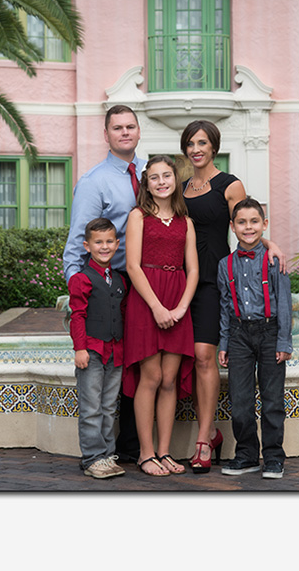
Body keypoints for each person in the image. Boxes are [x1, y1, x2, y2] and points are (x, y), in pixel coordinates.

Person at [180, 120, 287, 473]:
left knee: (203, 356)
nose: (196, 149)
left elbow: (247, 224)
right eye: (190, 143)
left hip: (213, 279)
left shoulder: (229, 184)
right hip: (182, 281)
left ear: (214, 147)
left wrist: (271, 245)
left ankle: (205, 435)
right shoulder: (180, 188)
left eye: (202, 143)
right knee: (187, 358)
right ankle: (211, 435)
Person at [62, 104, 145, 463]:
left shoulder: (151, 173)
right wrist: (81, 291)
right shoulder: (95, 181)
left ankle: (133, 446)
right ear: (106, 134)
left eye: (130, 126)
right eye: (117, 128)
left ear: (138, 131)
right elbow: (76, 243)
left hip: (147, 283)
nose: (124, 132)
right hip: (114, 281)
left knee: (136, 363)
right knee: (110, 370)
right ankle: (111, 451)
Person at [123, 155, 198, 477]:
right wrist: (157, 307)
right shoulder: (138, 216)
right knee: (150, 377)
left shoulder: (186, 221)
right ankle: (145, 453)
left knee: (169, 380)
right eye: (154, 177)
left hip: (178, 297)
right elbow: (132, 266)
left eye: (167, 176)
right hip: (146, 299)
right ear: (146, 184)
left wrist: (181, 308)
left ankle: (165, 451)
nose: (162, 182)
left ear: (175, 179)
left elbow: (193, 269)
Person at [217, 198, 292, 479]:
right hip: (238, 335)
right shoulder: (225, 265)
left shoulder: (274, 260)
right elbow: (225, 307)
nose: (248, 227)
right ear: (233, 227)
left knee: (273, 400)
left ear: (264, 225)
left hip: (270, 332)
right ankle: (246, 454)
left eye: (254, 221)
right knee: (240, 401)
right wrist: (223, 343)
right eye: (242, 222)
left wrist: (284, 341)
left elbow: (284, 302)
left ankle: (273, 457)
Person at [67, 218, 127, 479]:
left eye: (109, 241)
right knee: (91, 408)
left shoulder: (120, 280)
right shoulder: (81, 279)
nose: (104, 246)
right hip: (91, 351)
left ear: (117, 243)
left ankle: (107, 456)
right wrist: (80, 349)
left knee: (109, 407)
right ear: (87, 245)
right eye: (98, 242)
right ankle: (92, 457)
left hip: (115, 352)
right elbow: (77, 316)